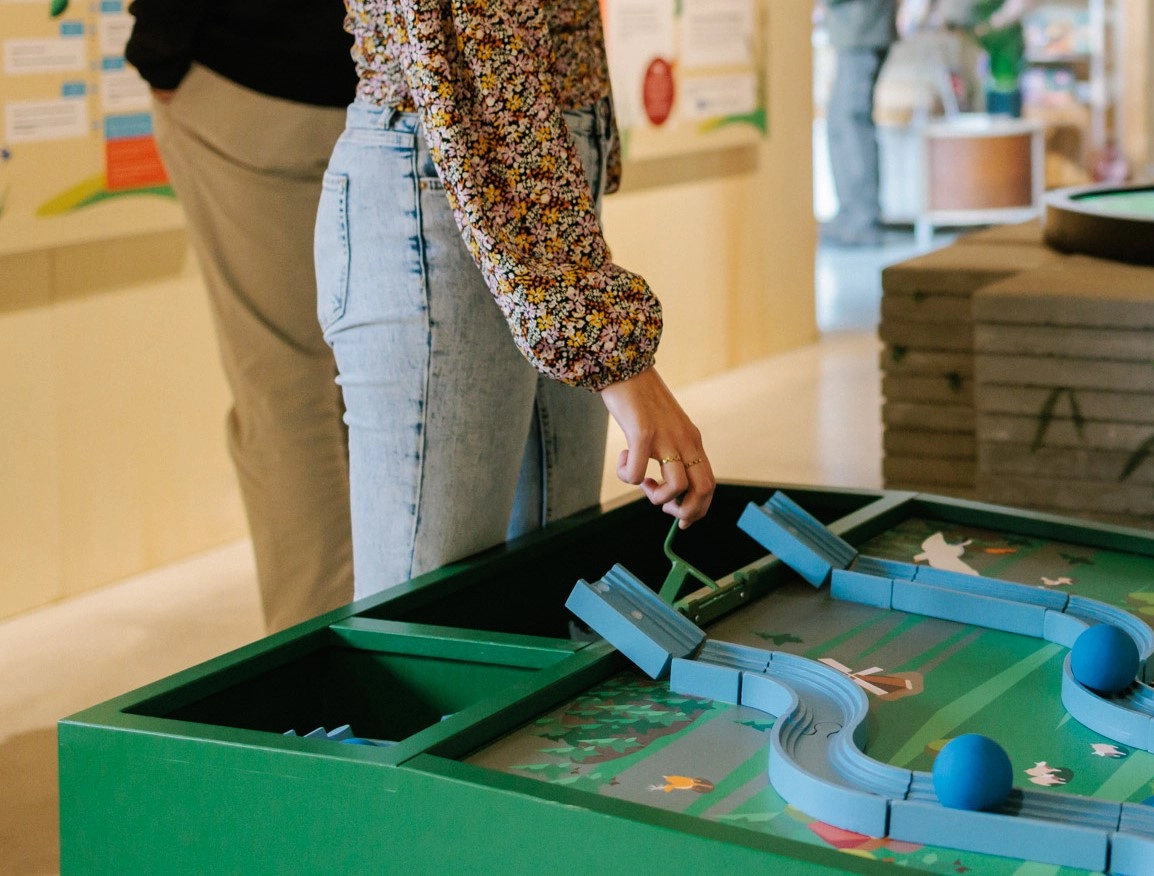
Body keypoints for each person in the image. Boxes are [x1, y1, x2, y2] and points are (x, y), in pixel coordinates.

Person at [320, 0, 715, 599]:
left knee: (552, 591)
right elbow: (474, 35)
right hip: (460, 161)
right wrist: (603, 342)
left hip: (540, 179)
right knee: (433, 611)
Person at [126, 0, 357, 630]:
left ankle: (320, 655)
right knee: (362, 383)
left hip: (245, 78)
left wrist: (159, 52)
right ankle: (380, 634)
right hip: (370, 89)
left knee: (285, 395)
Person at [823, 0, 900, 247]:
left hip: (863, 30)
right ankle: (852, 214)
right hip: (858, 30)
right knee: (843, 124)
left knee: (851, 126)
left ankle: (861, 219)